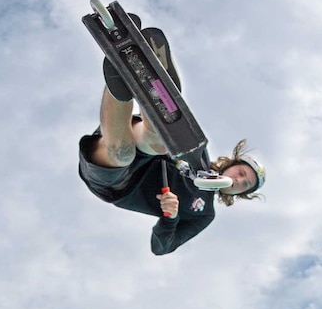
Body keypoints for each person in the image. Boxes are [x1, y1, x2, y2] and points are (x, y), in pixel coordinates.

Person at [79, 19, 265, 255]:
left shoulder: (204, 213)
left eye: (244, 184)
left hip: (116, 183)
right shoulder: (197, 154)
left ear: (240, 195)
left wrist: (171, 218)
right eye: (241, 173)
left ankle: (123, 75)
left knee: (123, 155)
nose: (239, 180)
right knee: (160, 142)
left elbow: (161, 248)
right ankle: (134, 72)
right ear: (231, 164)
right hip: (140, 142)